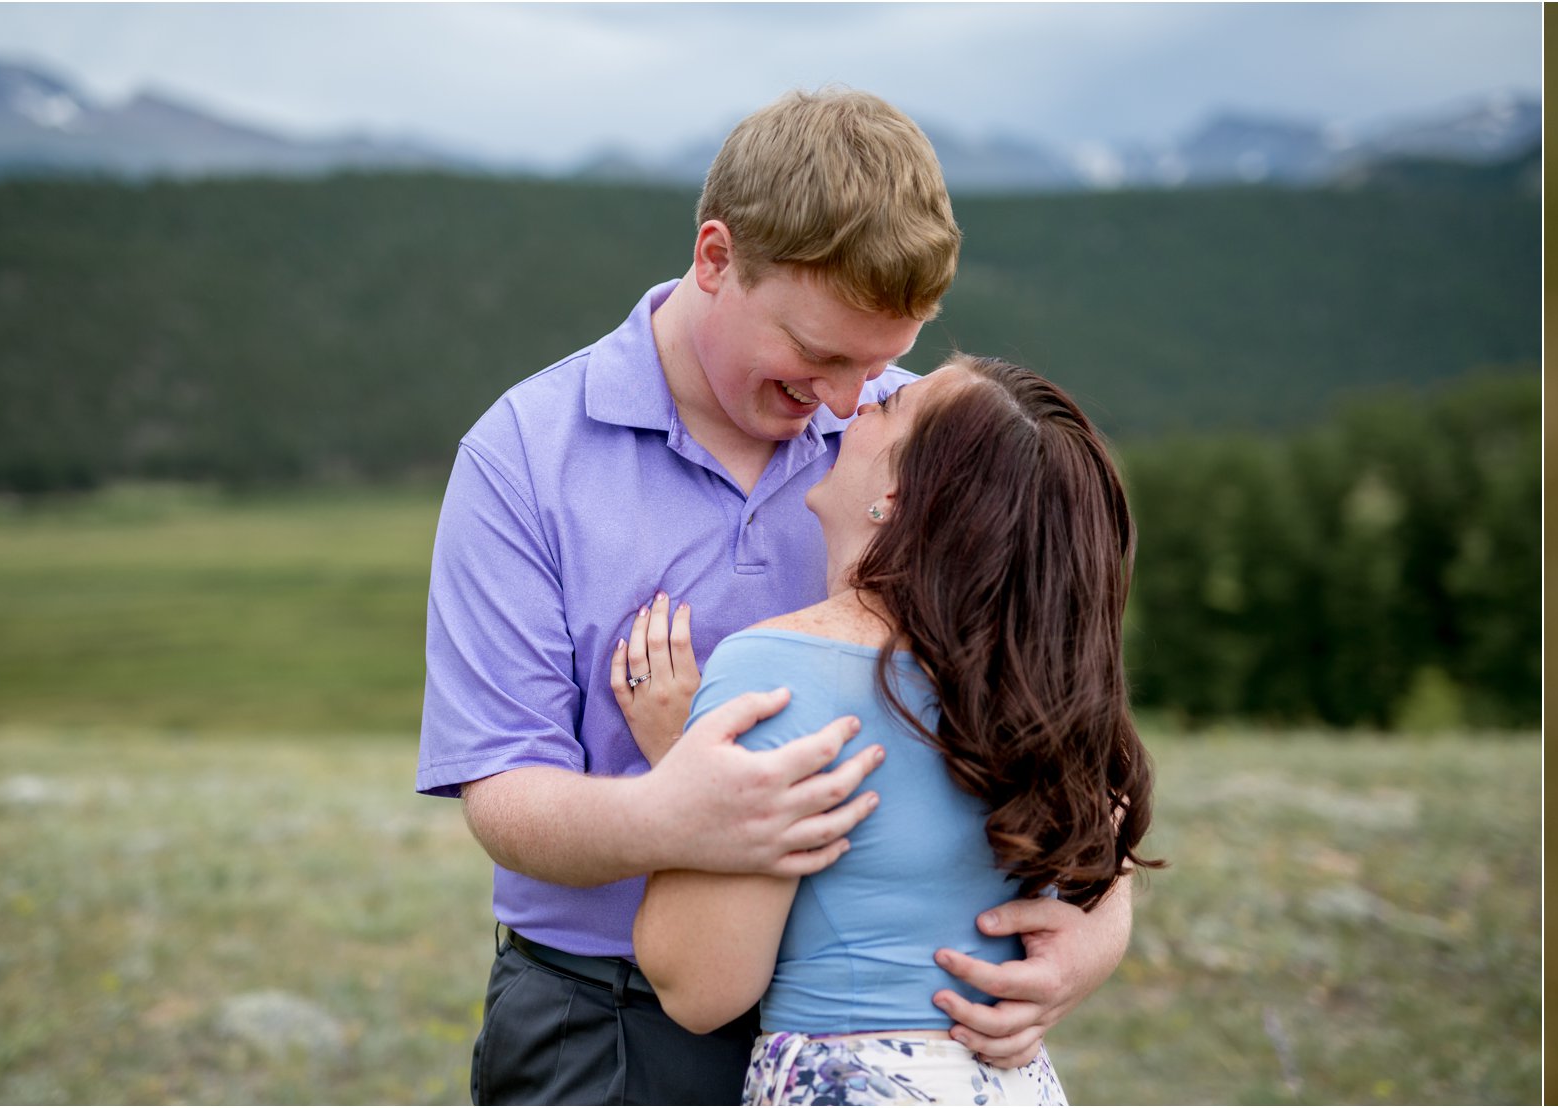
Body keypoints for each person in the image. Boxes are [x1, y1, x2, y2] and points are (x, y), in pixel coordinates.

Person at [416, 89, 1134, 1105]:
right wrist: (679, 816)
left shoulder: (926, 450)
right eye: (820, 354)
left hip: (873, 1031)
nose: (847, 403)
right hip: (610, 1027)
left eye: (884, 361)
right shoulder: (523, 456)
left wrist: (1092, 939)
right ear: (716, 258)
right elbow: (502, 794)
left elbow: (1054, 724)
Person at [615, 354, 1156, 1105]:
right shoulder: (1037, 686)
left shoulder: (771, 671)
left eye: (892, 403)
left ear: (897, 497)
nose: (859, 405)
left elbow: (700, 987)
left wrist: (678, 767)